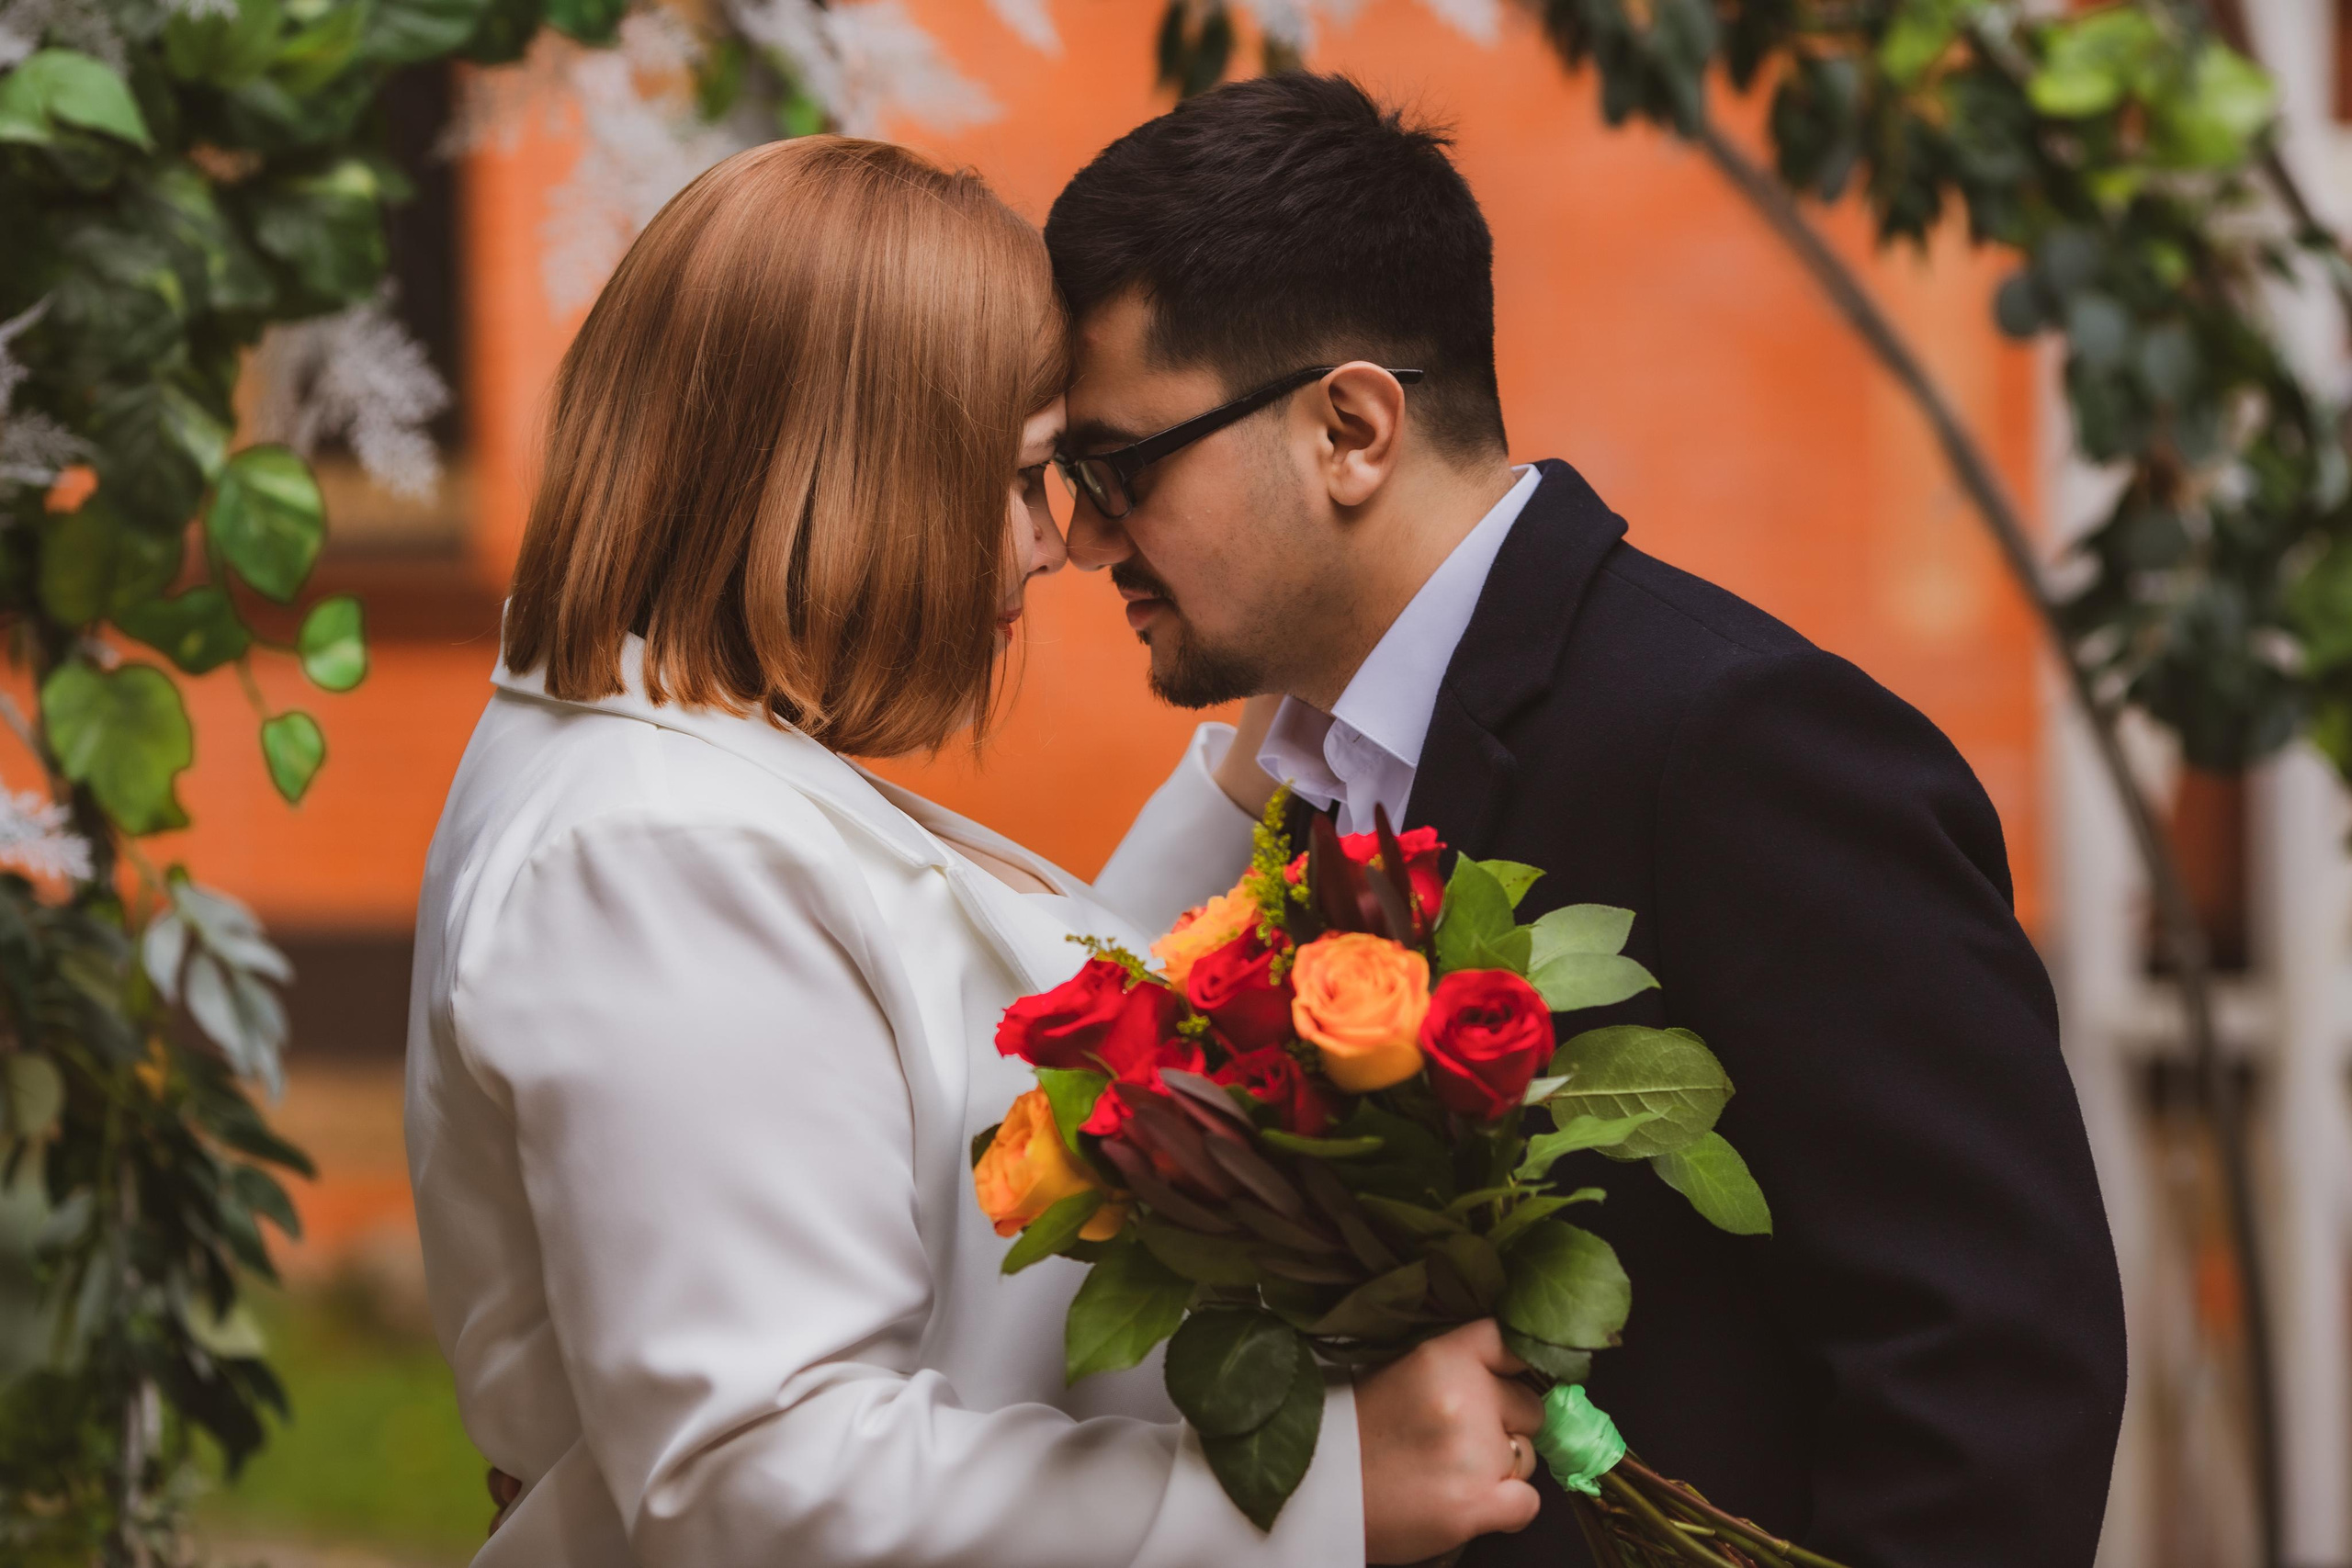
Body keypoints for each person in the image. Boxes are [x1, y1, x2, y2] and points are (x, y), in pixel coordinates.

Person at [405, 134, 1546, 1568]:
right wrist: (1327, 1490)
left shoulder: (679, 761)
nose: (1050, 548)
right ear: (851, 476)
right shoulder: (655, 851)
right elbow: (767, 1480)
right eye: (1021, 481)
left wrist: (1248, 775)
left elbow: (957, 1079)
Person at [1051, 73, 2129, 1568]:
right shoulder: (1312, 783)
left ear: (1350, 428)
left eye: (1120, 466)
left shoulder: (1737, 739)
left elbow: (1992, 1360)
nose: (1084, 533)